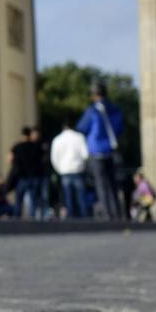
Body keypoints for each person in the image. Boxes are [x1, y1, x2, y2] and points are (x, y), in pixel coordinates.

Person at [75, 82, 126, 220]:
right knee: (112, 183)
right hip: (111, 150)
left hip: (97, 151)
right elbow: (120, 128)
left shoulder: (92, 111)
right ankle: (116, 212)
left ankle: (107, 213)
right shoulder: (115, 109)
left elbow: (82, 127)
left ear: (94, 95)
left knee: (101, 184)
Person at [50, 121, 89, 218]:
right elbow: (86, 155)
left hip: (64, 171)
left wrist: (59, 169)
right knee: (81, 196)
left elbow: (54, 158)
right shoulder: (79, 137)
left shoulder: (57, 139)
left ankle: (71, 218)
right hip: (77, 170)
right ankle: (84, 217)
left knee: (68, 197)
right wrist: (82, 166)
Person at [9, 125, 48, 220]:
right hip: (34, 177)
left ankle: (17, 218)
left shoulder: (17, 147)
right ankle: (32, 218)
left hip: (22, 177)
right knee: (33, 200)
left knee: (19, 200)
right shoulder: (36, 146)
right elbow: (43, 158)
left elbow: (10, 158)